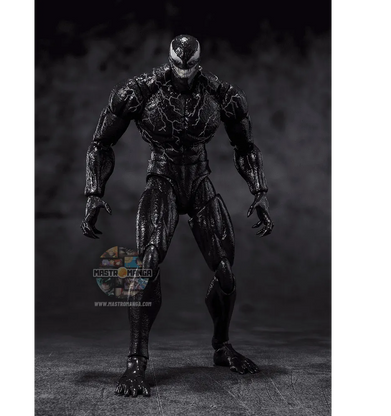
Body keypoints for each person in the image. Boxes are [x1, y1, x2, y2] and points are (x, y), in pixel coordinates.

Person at [81, 34, 274, 397]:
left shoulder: (222, 95)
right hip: (163, 180)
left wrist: (259, 191)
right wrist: (93, 193)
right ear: (170, 61)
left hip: (199, 181)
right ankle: (136, 361)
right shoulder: (138, 92)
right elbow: (100, 143)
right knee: (148, 263)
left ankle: (222, 347)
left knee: (225, 272)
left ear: (198, 62)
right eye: (178, 66)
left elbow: (245, 146)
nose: (184, 72)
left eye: (190, 66)